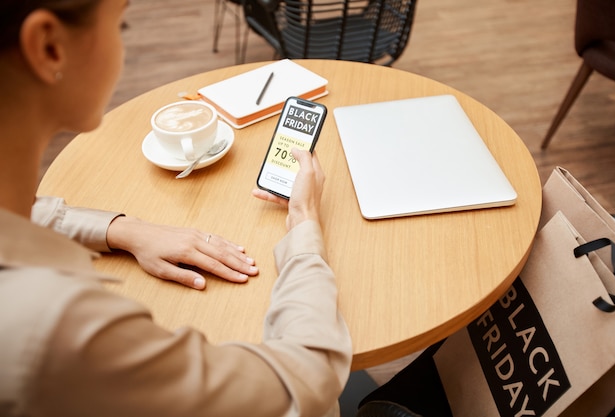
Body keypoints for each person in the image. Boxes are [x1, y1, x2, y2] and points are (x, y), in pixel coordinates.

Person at [0, 1, 352, 416]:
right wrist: (306, 227)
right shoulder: (59, 328)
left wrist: (123, 229)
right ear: (49, 47)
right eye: (121, 24)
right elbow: (308, 380)